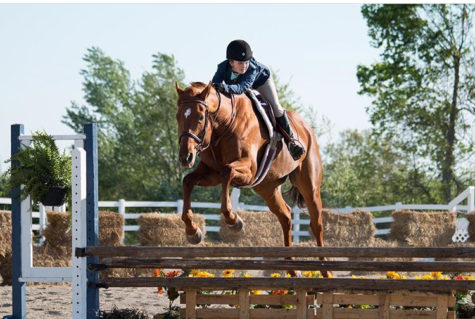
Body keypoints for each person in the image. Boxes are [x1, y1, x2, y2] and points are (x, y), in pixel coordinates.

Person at [212, 39, 305, 161]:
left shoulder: (253, 68)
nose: (244, 66)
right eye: (240, 63)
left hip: (261, 81)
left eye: (246, 62)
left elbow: (241, 88)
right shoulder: (222, 67)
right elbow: (214, 86)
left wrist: (225, 87)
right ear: (231, 62)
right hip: (237, 86)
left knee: (276, 106)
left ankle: (291, 141)